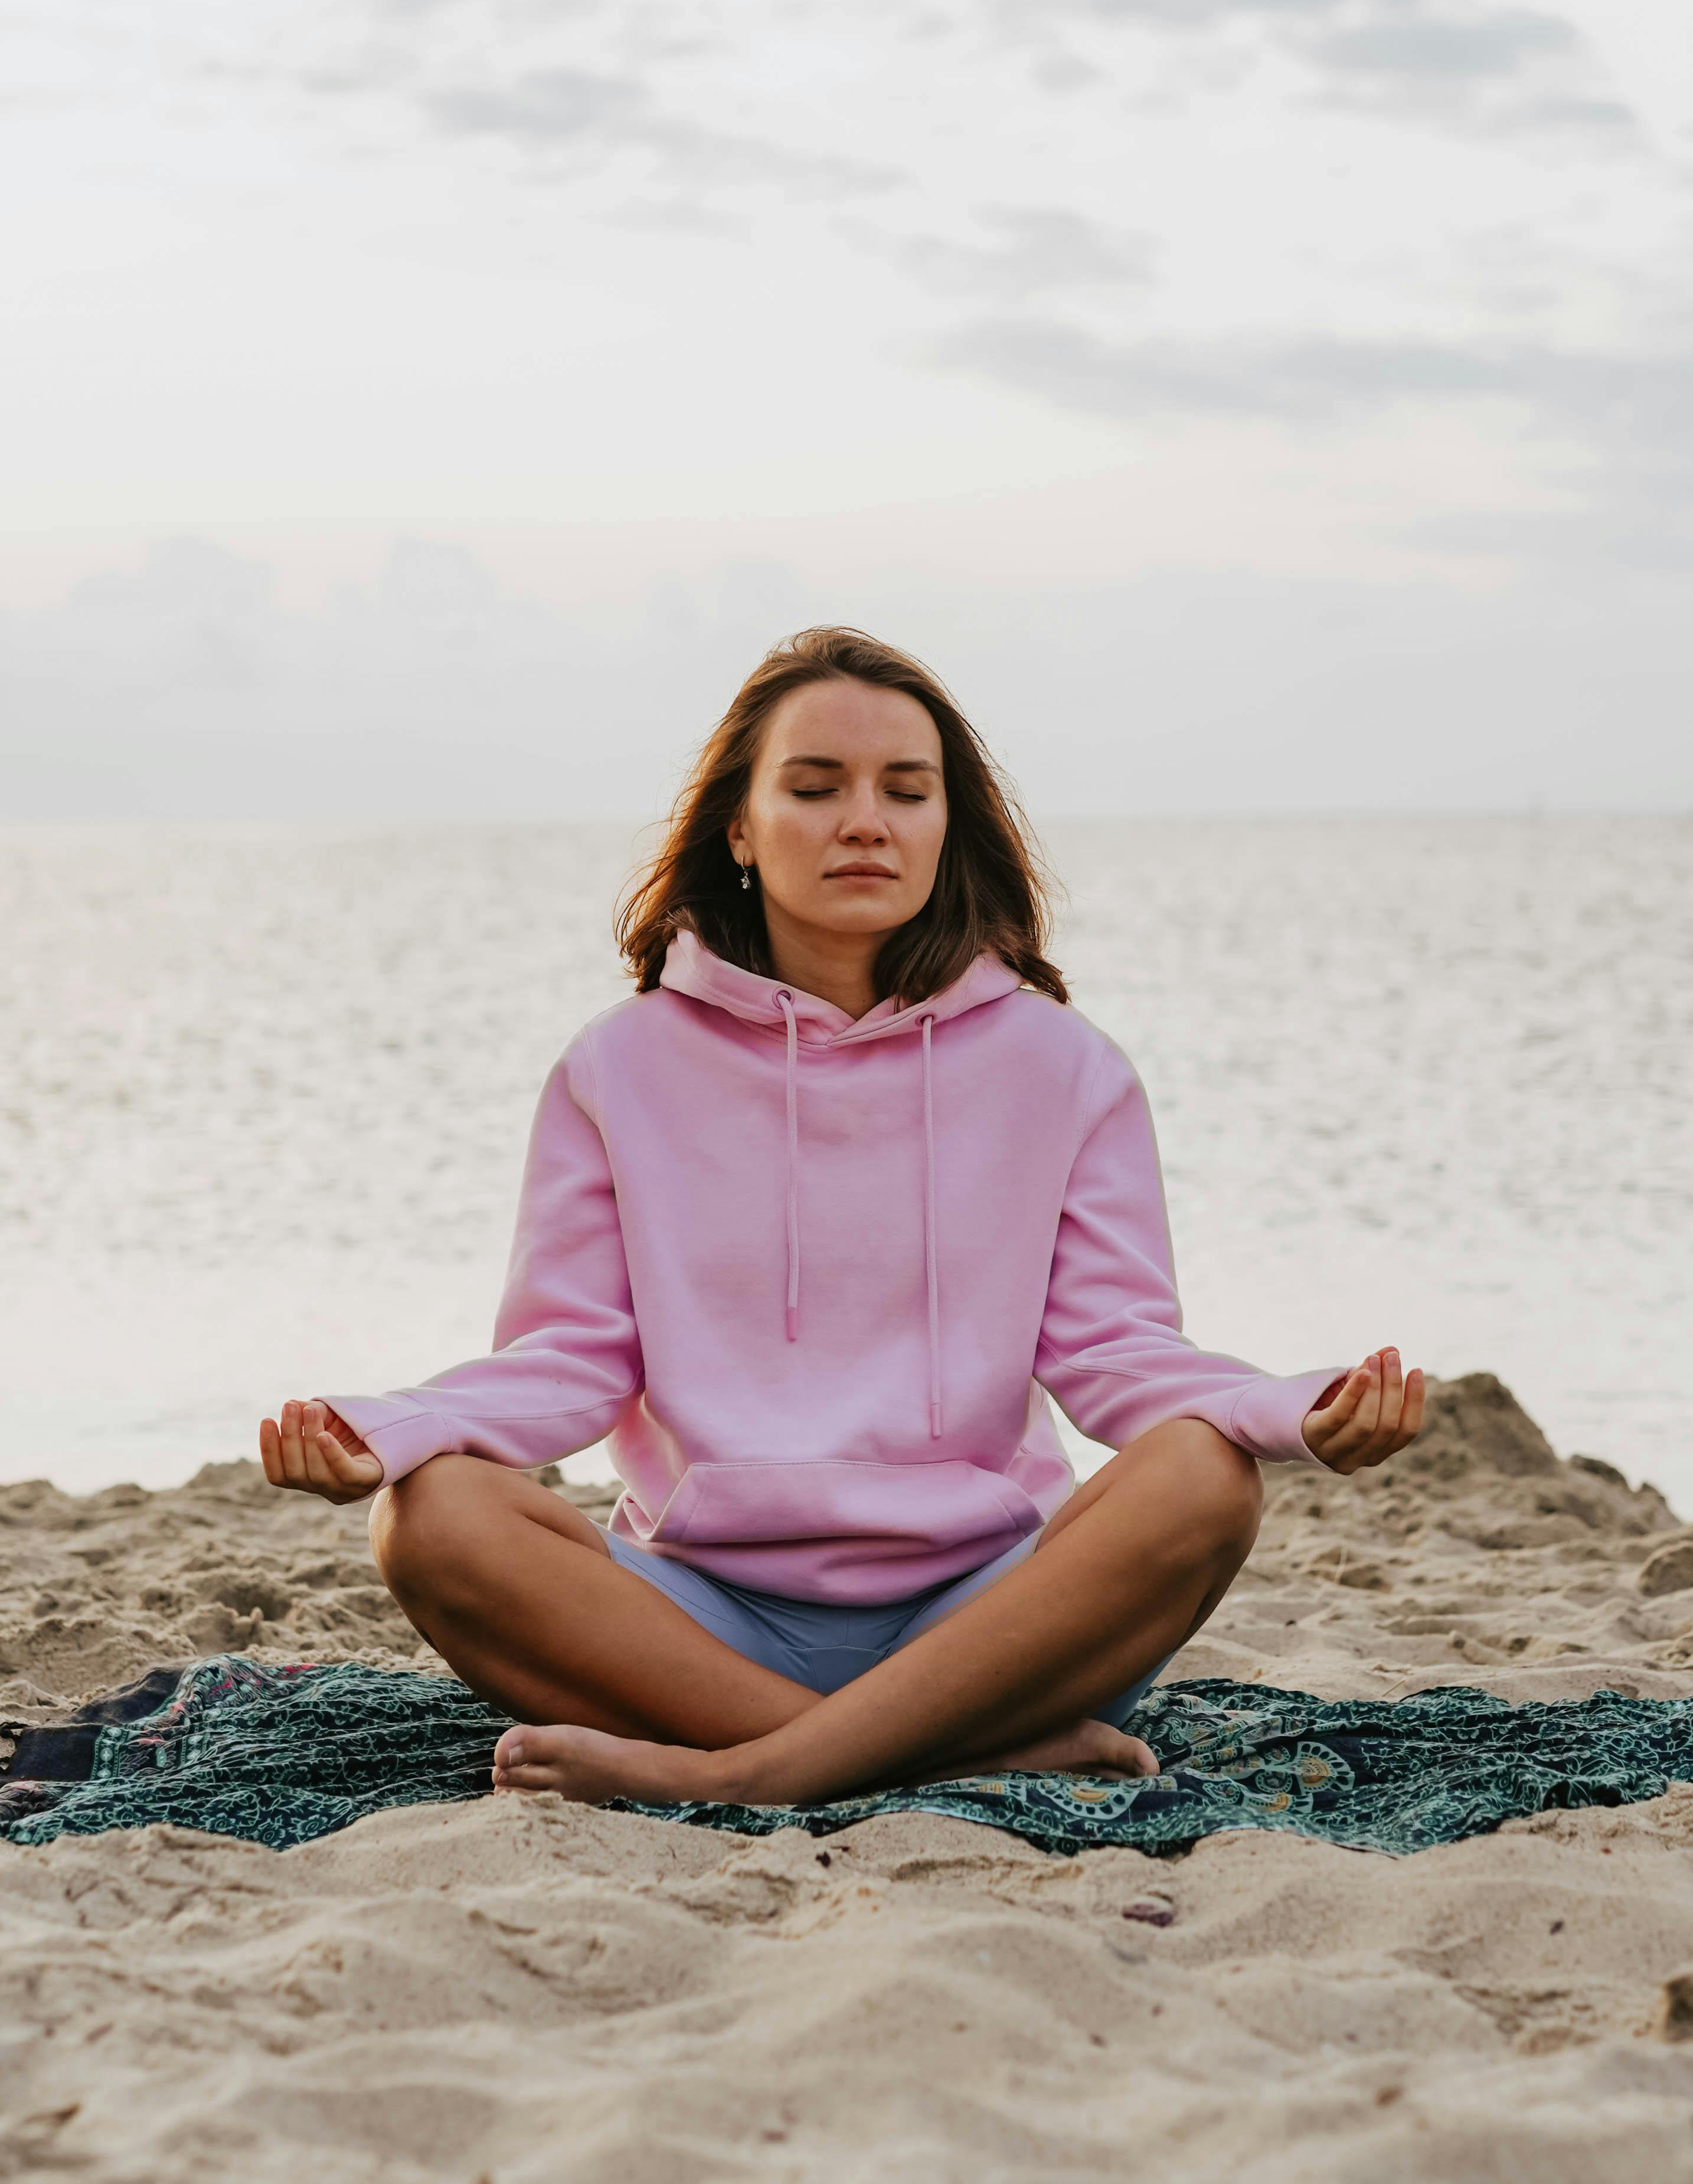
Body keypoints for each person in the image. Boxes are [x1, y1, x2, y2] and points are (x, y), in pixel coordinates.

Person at [258, 628, 1429, 1807]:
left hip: (994, 1616)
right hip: (702, 1614)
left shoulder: (1065, 1068)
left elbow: (1114, 1353)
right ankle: (938, 1754)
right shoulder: (617, 1069)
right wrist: (394, 1427)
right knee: (433, 1515)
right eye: (814, 788)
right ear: (740, 827)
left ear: (944, 828)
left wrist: (1289, 1410)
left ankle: (758, 1769)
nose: (863, 820)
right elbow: (570, 1359)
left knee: (1205, 1476)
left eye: (904, 792)